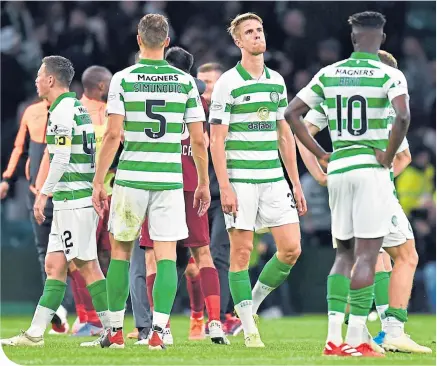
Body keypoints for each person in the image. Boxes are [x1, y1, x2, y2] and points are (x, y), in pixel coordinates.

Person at [285, 11, 426, 357]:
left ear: (352, 38)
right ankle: (362, 337)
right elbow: (404, 117)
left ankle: (335, 339)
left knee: (344, 255)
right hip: (370, 170)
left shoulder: (330, 73)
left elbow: (290, 114)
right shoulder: (389, 74)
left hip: (340, 168)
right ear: (380, 37)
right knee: (372, 255)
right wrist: (386, 154)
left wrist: (322, 155)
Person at [92, 14, 211, 350]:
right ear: (168, 41)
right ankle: (159, 332)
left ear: (139, 40)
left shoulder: (122, 79)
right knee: (166, 255)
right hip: (169, 180)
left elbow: (113, 134)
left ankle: (115, 331)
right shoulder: (186, 83)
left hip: (131, 177)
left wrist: (99, 181)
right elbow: (199, 141)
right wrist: (202, 182)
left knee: (120, 253)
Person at [209, 13, 306, 348]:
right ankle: (249, 327)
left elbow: (284, 135)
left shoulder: (276, 80)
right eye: (249, 32)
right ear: (238, 41)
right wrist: (224, 185)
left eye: (259, 30)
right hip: (241, 180)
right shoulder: (227, 84)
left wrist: (294, 182)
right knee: (242, 252)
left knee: (291, 249)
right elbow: (216, 140)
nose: (256, 36)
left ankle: (251, 303)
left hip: (273, 180)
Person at [1, 55, 109, 347]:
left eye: (39, 74)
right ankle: (35, 333)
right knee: (54, 265)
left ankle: (113, 331)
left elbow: (60, 158)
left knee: (87, 266)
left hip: (73, 201)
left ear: (50, 79)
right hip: (71, 200)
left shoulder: (61, 113)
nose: (36, 80)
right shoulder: (78, 108)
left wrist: (42, 194)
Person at [137, 46, 228, 346]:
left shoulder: (151, 95)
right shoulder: (199, 102)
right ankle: (214, 322)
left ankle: (160, 328)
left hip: (158, 182)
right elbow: (202, 142)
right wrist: (205, 181)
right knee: (202, 254)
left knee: (153, 256)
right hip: (190, 184)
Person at [0, 98, 71, 335]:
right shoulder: (31, 111)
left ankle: (87, 312)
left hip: (66, 191)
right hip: (36, 191)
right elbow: (20, 147)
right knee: (44, 249)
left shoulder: (70, 111)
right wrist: (7, 178)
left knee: (78, 255)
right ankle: (57, 308)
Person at [198, 63, 243, 336]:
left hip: (225, 194)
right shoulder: (190, 113)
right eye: (200, 82)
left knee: (220, 254)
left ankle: (223, 315)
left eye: (209, 82)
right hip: (197, 195)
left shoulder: (230, 113)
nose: (204, 88)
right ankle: (202, 315)